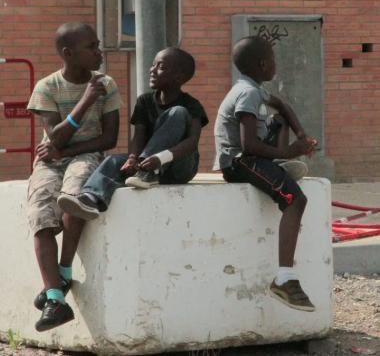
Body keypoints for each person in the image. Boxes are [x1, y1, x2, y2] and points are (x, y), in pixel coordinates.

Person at [27, 22, 122, 331]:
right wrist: (85, 102)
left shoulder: (106, 84)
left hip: (84, 155)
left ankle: (64, 272)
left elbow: (109, 139)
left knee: (73, 196)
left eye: (98, 45)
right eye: (92, 47)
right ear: (68, 54)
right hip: (49, 160)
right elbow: (53, 137)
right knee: (41, 212)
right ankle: (55, 298)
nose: (99, 52)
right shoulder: (46, 87)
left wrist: (64, 152)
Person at [213, 36, 317, 312]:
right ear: (262, 64)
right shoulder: (247, 94)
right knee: (295, 200)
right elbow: (248, 146)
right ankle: (284, 278)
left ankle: (278, 166)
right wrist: (290, 151)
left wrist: (302, 137)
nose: (275, 64)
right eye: (272, 59)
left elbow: (282, 107)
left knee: (277, 119)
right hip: (239, 162)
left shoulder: (253, 88)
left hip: (253, 157)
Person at [57, 47, 208, 221]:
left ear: (179, 77)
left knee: (178, 112)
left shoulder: (191, 105)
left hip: (178, 166)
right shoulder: (144, 101)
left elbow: (191, 143)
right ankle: (90, 198)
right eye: (153, 65)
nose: (152, 70)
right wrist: (133, 158)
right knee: (113, 160)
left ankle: (146, 172)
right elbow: (139, 136)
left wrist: (160, 158)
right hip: (146, 166)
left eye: (161, 67)